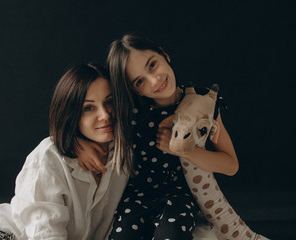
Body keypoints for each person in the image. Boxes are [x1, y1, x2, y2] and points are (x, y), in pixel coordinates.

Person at [77, 33, 239, 240]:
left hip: (179, 196)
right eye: (139, 82)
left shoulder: (201, 103)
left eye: (152, 65)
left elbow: (231, 165)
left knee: (171, 235)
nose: (154, 81)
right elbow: (90, 128)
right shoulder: (131, 113)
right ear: (133, 90)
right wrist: (78, 145)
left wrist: (183, 150)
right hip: (136, 195)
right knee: (123, 235)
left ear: (164, 54)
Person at [0, 63, 131, 240]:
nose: (105, 115)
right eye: (88, 108)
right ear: (71, 114)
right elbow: (45, 233)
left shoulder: (126, 154)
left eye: (110, 102)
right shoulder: (49, 156)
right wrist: (71, 142)